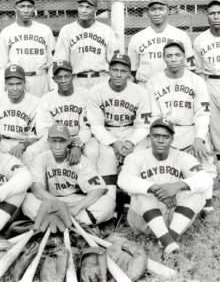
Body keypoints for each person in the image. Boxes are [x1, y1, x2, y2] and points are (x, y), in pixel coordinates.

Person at [118, 118, 212, 260]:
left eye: (165, 137)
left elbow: (206, 179)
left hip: (174, 219)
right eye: (156, 136)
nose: (160, 141)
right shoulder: (136, 157)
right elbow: (123, 180)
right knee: (142, 193)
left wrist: (177, 186)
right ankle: (169, 243)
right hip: (144, 221)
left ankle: (168, 242)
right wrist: (154, 188)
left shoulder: (183, 157)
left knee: (197, 193)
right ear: (149, 138)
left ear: (172, 139)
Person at [147, 40, 215, 213]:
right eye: (169, 56)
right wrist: (158, 137)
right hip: (165, 130)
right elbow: (154, 114)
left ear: (185, 57)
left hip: (190, 128)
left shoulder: (197, 81)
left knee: (203, 159)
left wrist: (199, 138)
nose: (174, 59)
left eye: (178, 55)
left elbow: (202, 113)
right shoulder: (154, 82)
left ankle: (207, 204)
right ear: (163, 58)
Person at [22, 123, 115, 226]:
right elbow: (36, 188)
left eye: (61, 141)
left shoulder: (78, 160)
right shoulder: (41, 158)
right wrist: (59, 204)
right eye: (54, 141)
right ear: (48, 141)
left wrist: (78, 208)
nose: (57, 146)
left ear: (68, 142)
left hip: (75, 201)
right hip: (51, 201)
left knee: (108, 202)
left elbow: (99, 188)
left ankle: (64, 222)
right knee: (27, 199)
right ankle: (70, 223)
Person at [87, 52, 151, 184]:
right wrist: (113, 142)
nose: (118, 74)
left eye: (123, 71)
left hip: (131, 130)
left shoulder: (140, 92)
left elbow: (144, 125)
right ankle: (110, 193)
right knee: (107, 154)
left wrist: (131, 142)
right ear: (109, 70)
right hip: (107, 131)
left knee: (138, 155)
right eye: (115, 70)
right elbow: (96, 125)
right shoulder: (96, 91)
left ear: (129, 73)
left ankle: (132, 192)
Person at [24, 60, 92, 167]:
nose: (63, 80)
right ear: (54, 79)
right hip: (54, 139)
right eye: (59, 77)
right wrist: (60, 143)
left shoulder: (86, 95)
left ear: (73, 76)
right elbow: (43, 131)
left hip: (78, 138)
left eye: (67, 76)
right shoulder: (47, 99)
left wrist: (76, 145)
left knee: (92, 152)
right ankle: (35, 182)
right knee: (31, 152)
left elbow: (86, 128)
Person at [0, 0, 55, 97]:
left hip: (40, 80)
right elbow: (2, 66)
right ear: (15, 8)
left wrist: (53, 88)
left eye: (29, 6)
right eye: (22, 6)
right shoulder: (7, 32)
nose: (26, 10)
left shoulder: (45, 31)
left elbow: (52, 64)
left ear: (34, 8)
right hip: (16, 81)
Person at [54, 0, 118, 89]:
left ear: (95, 9)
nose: (83, 10)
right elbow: (60, 61)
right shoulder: (67, 31)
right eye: (81, 6)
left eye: (88, 7)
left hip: (101, 79)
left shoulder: (106, 31)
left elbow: (114, 60)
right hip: (77, 80)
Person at [128, 0, 194, 87]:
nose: (157, 13)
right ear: (148, 12)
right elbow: (133, 70)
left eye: (161, 9)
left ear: (167, 11)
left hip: (174, 86)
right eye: (153, 9)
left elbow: (190, 67)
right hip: (146, 86)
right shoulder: (137, 38)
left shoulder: (181, 35)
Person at [194, 0, 220, 170]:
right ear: (207, 16)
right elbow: (199, 71)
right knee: (215, 128)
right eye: (212, 13)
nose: (216, 16)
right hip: (211, 82)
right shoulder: (200, 39)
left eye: (219, 13)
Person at [0, 64, 39, 160]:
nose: (15, 88)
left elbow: (35, 136)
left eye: (18, 84)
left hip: (23, 143)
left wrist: (22, 146)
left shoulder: (35, 103)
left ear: (24, 83)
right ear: (5, 84)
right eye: (11, 84)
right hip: (1, 141)